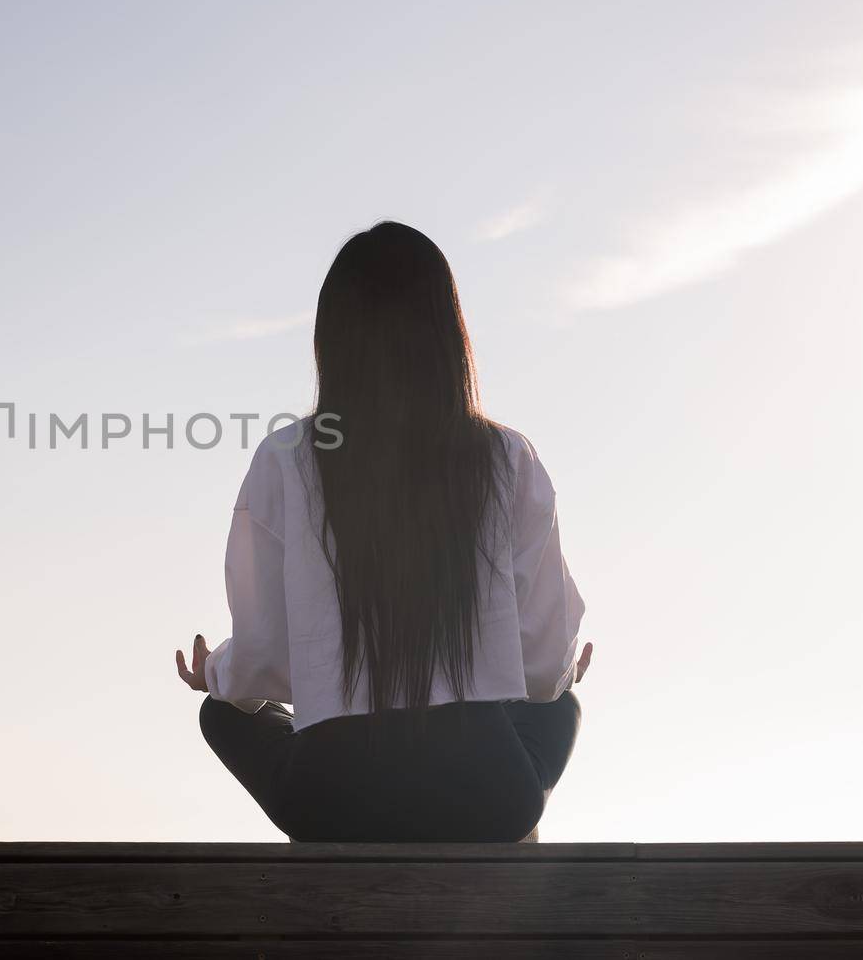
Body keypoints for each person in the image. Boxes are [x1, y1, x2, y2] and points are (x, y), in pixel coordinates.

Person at [174, 220, 593, 843]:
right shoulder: (507, 458)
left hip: (329, 800)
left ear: (333, 338)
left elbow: (266, 659)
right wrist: (562, 676)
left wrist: (217, 676)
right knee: (560, 707)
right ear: (447, 332)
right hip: (487, 797)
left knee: (221, 716)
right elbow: (540, 665)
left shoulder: (287, 458)